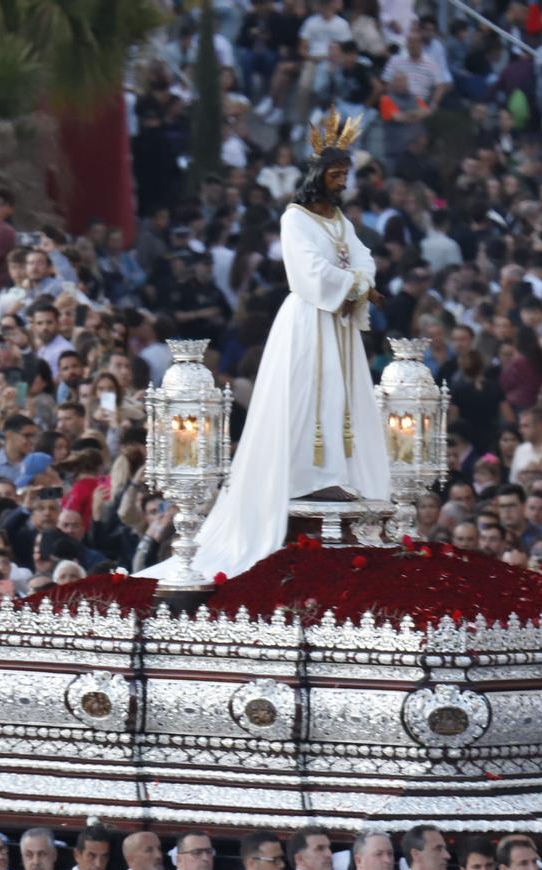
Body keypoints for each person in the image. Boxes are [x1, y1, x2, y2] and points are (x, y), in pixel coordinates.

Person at [146, 110, 388, 580]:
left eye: (346, 175)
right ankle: (306, 476)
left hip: (336, 323)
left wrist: (359, 279)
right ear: (319, 175)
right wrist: (357, 283)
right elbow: (311, 274)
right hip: (309, 320)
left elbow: (365, 259)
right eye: (336, 174)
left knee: (341, 398)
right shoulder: (295, 218)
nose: (342, 182)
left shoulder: (339, 220)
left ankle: (338, 475)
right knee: (305, 398)